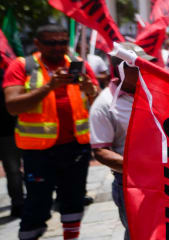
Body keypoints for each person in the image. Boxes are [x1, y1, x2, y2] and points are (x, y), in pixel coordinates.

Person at [3, 24, 99, 240]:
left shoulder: (78, 65)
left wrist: (92, 92)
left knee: (74, 201)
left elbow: (96, 101)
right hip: (38, 152)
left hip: (75, 148)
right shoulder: (22, 66)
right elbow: (12, 106)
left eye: (63, 42)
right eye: (51, 43)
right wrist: (49, 87)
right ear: (37, 44)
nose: (58, 47)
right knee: (37, 205)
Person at [89, 42, 156, 239]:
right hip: (131, 183)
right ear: (121, 70)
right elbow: (101, 151)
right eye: (138, 66)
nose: (145, 70)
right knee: (140, 232)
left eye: (147, 64)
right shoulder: (105, 105)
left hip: (165, 177)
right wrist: (139, 168)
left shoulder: (154, 92)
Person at [0, 60, 24, 219]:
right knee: (13, 170)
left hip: (13, 129)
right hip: (5, 132)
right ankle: (18, 202)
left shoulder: (6, 75)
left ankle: (21, 202)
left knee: (16, 169)